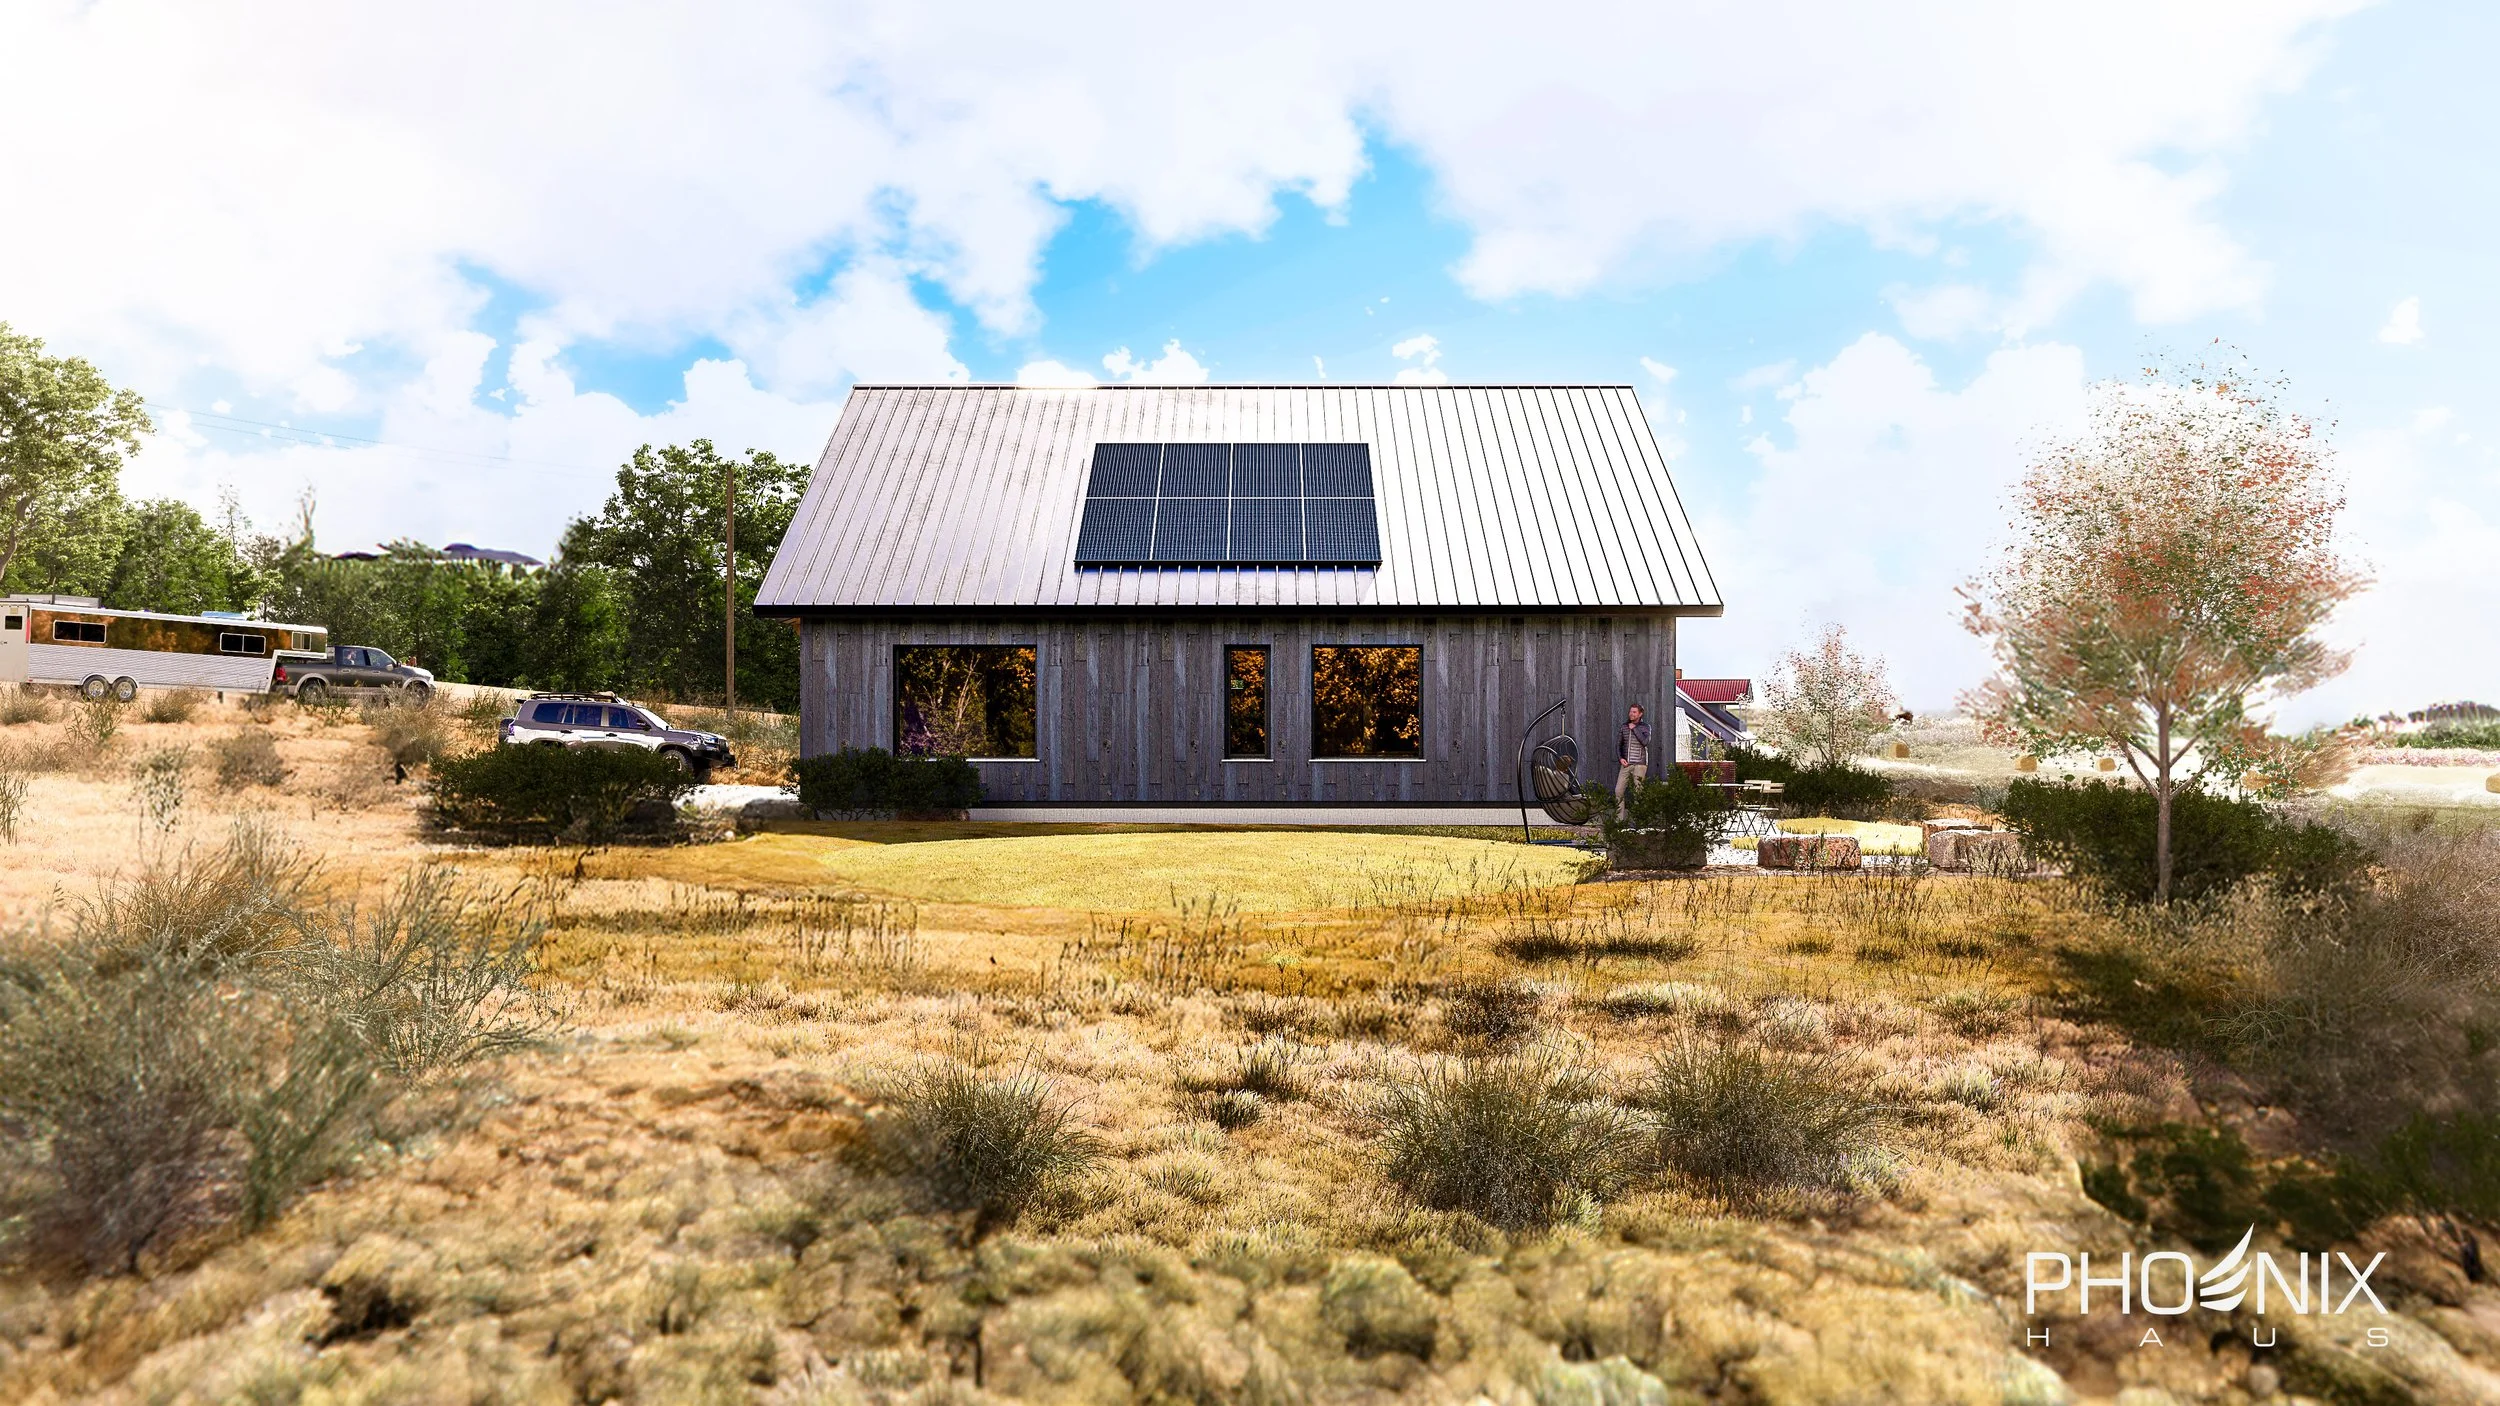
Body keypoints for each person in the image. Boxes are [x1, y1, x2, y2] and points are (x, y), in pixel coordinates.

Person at [1616, 703, 1651, 801]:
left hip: (1640, 764)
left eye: (1634, 712)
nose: (1631, 714)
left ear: (1640, 714)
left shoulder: (1646, 727)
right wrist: (1620, 758)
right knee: (1618, 791)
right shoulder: (1624, 727)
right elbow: (1618, 744)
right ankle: (1619, 817)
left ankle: (1638, 816)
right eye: (1630, 711)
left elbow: (1645, 742)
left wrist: (1634, 728)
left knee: (1638, 793)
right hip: (1626, 764)